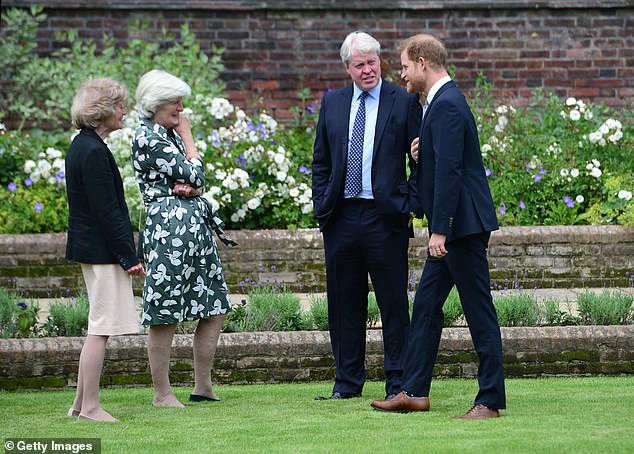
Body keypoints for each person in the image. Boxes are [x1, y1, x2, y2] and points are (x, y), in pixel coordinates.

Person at [371, 34, 506, 419]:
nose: (401, 74)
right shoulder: (438, 104)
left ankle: (489, 401)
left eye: (404, 67)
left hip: (460, 229)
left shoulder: (446, 105)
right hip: (453, 226)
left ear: (423, 61)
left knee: (479, 311)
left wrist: (440, 229)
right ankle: (413, 391)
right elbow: (439, 165)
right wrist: (420, 155)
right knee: (427, 306)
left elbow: (451, 173)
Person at [312, 31, 421, 400]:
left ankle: (398, 384)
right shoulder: (333, 104)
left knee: (393, 304)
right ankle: (347, 384)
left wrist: (409, 206)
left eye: (372, 62)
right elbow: (321, 161)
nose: (368, 69)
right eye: (359, 64)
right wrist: (322, 207)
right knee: (344, 304)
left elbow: (420, 160)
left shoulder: (402, 101)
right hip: (341, 217)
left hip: (385, 217)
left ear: (380, 61)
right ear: (347, 68)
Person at [132, 69, 234, 408]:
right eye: (175, 102)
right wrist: (190, 141)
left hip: (194, 230)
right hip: (169, 234)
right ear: (156, 104)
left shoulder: (165, 133)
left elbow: (197, 180)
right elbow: (195, 171)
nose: (181, 108)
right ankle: (162, 394)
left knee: (214, 305)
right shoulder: (149, 137)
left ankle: (202, 387)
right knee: (165, 311)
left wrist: (195, 186)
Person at [65, 78, 146, 422]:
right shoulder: (94, 150)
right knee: (100, 329)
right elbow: (107, 211)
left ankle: (78, 405)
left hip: (93, 250)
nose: (124, 112)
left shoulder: (81, 145)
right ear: (102, 112)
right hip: (102, 252)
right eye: (119, 106)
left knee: (96, 326)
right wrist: (129, 257)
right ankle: (91, 407)